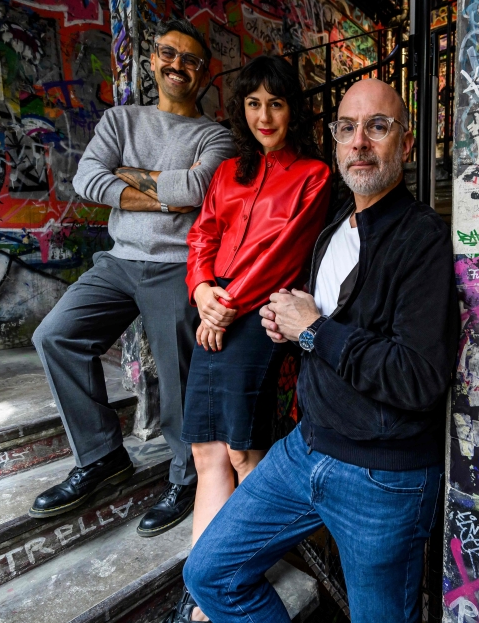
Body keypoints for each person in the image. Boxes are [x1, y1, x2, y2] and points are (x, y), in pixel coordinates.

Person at [183, 78, 460, 622]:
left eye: (378, 127)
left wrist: (314, 330)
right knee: (209, 573)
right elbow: (322, 334)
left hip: (382, 475)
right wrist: (286, 327)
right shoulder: (333, 232)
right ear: (334, 141)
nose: (359, 142)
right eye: (347, 128)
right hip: (306, 448)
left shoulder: (422, 236)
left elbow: (421, 377)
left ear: (404, 145)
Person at [29, 19, 235, 539]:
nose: (177, 66)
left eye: (189, 60)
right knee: (55, 336)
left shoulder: (216, 136)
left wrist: (130, 177)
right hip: (119, 262)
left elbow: (197, 188)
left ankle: (186, 477)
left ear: (203, 72)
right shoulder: (121, 120)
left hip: (176, 267)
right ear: (152, 60)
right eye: (169, 54)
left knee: (179, 378)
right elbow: (89, 178)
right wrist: (168, 192)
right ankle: (101, 456)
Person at [166, 56, 331, 623]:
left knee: (243, 451)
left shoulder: (314, 175)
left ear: (294, 111)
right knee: (205, 449)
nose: (264, 115)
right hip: (215, 309)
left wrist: (226, 307)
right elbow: (202, 234)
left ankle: (236, 572)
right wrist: (201, 290)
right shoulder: (228, 172)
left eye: (276, 103)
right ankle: (202, 581)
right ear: (241, 108)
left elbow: (282, 251)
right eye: (254, 103)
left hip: (255, 320)